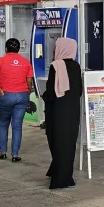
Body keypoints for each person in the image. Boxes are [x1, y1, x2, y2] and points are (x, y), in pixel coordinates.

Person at [42, 37, 82, 189]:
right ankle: (65, 175)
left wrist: (44, 96)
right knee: (69, 143)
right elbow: (79, 91)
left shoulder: (56, 66)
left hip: (57, 112)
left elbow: (51, 92)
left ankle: (59, 179)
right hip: (73, 112)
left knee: (57, 141)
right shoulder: (76, 66)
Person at [0, 38, 34, 162]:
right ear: (18, 49)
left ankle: (2, 152)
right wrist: (28, 91)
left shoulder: (1, 60)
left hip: (6, 95)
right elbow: (29, 82)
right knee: (17, 126)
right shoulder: (26, 62)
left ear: (6, 49)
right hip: (22, 96)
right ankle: (15, 155)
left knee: (3, 124)